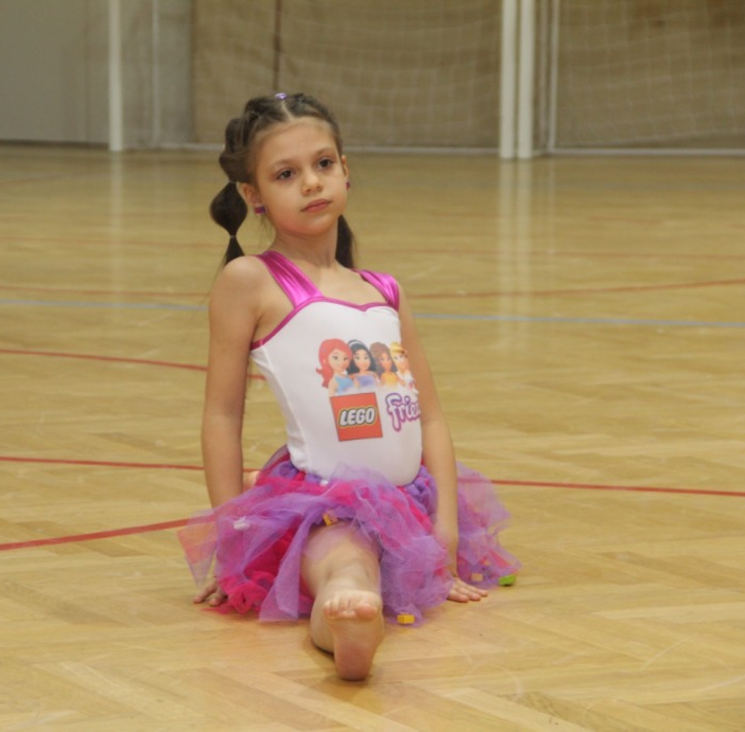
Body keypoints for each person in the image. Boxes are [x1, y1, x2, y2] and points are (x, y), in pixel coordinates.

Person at [178, 92, 518, 681]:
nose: (312, 182)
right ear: (253, 195)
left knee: (376, 563)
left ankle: (357, 608)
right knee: (346, 569)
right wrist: (232, 538)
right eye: (286, 174)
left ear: (345, 170)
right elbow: (222, 416)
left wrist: (445, 528)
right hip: (321, 506)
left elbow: (430, 417)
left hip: (409, 503)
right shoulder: (251, 280)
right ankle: (350, 624)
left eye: (323, 163)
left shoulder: (384, 289)